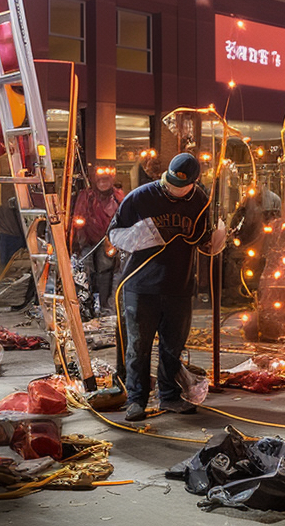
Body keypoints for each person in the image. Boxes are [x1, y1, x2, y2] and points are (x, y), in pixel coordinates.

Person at [107, 153, 227, 422]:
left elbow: (202, 238)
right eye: (171, 183)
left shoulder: (200, 200)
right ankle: (136, 400)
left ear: (194, 183)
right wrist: (141, 236)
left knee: (173, 346)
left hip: (179, 284)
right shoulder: (140, 197)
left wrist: (215, 238)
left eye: (181, 186)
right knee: (138, 347)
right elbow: (114, 234)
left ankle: (169, 396)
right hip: (140, 284)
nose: (174, 189)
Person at [73, 166, 126, 313]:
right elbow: (78, 215)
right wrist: (80, 237)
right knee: (85, 271)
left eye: (106, 180)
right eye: (100, 180)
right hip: (87, 239)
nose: (103, 183)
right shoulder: (86, 196)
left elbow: (124, 215)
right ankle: (85, 304)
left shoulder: (118, 196)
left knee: (105, 272)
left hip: (107, 241)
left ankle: (104, 306)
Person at [0, 196, 25, 267]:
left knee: (7, 261)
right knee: (13, 261)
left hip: (6, 233)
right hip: (15, 234)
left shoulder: (4, 207)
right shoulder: (16, 208)